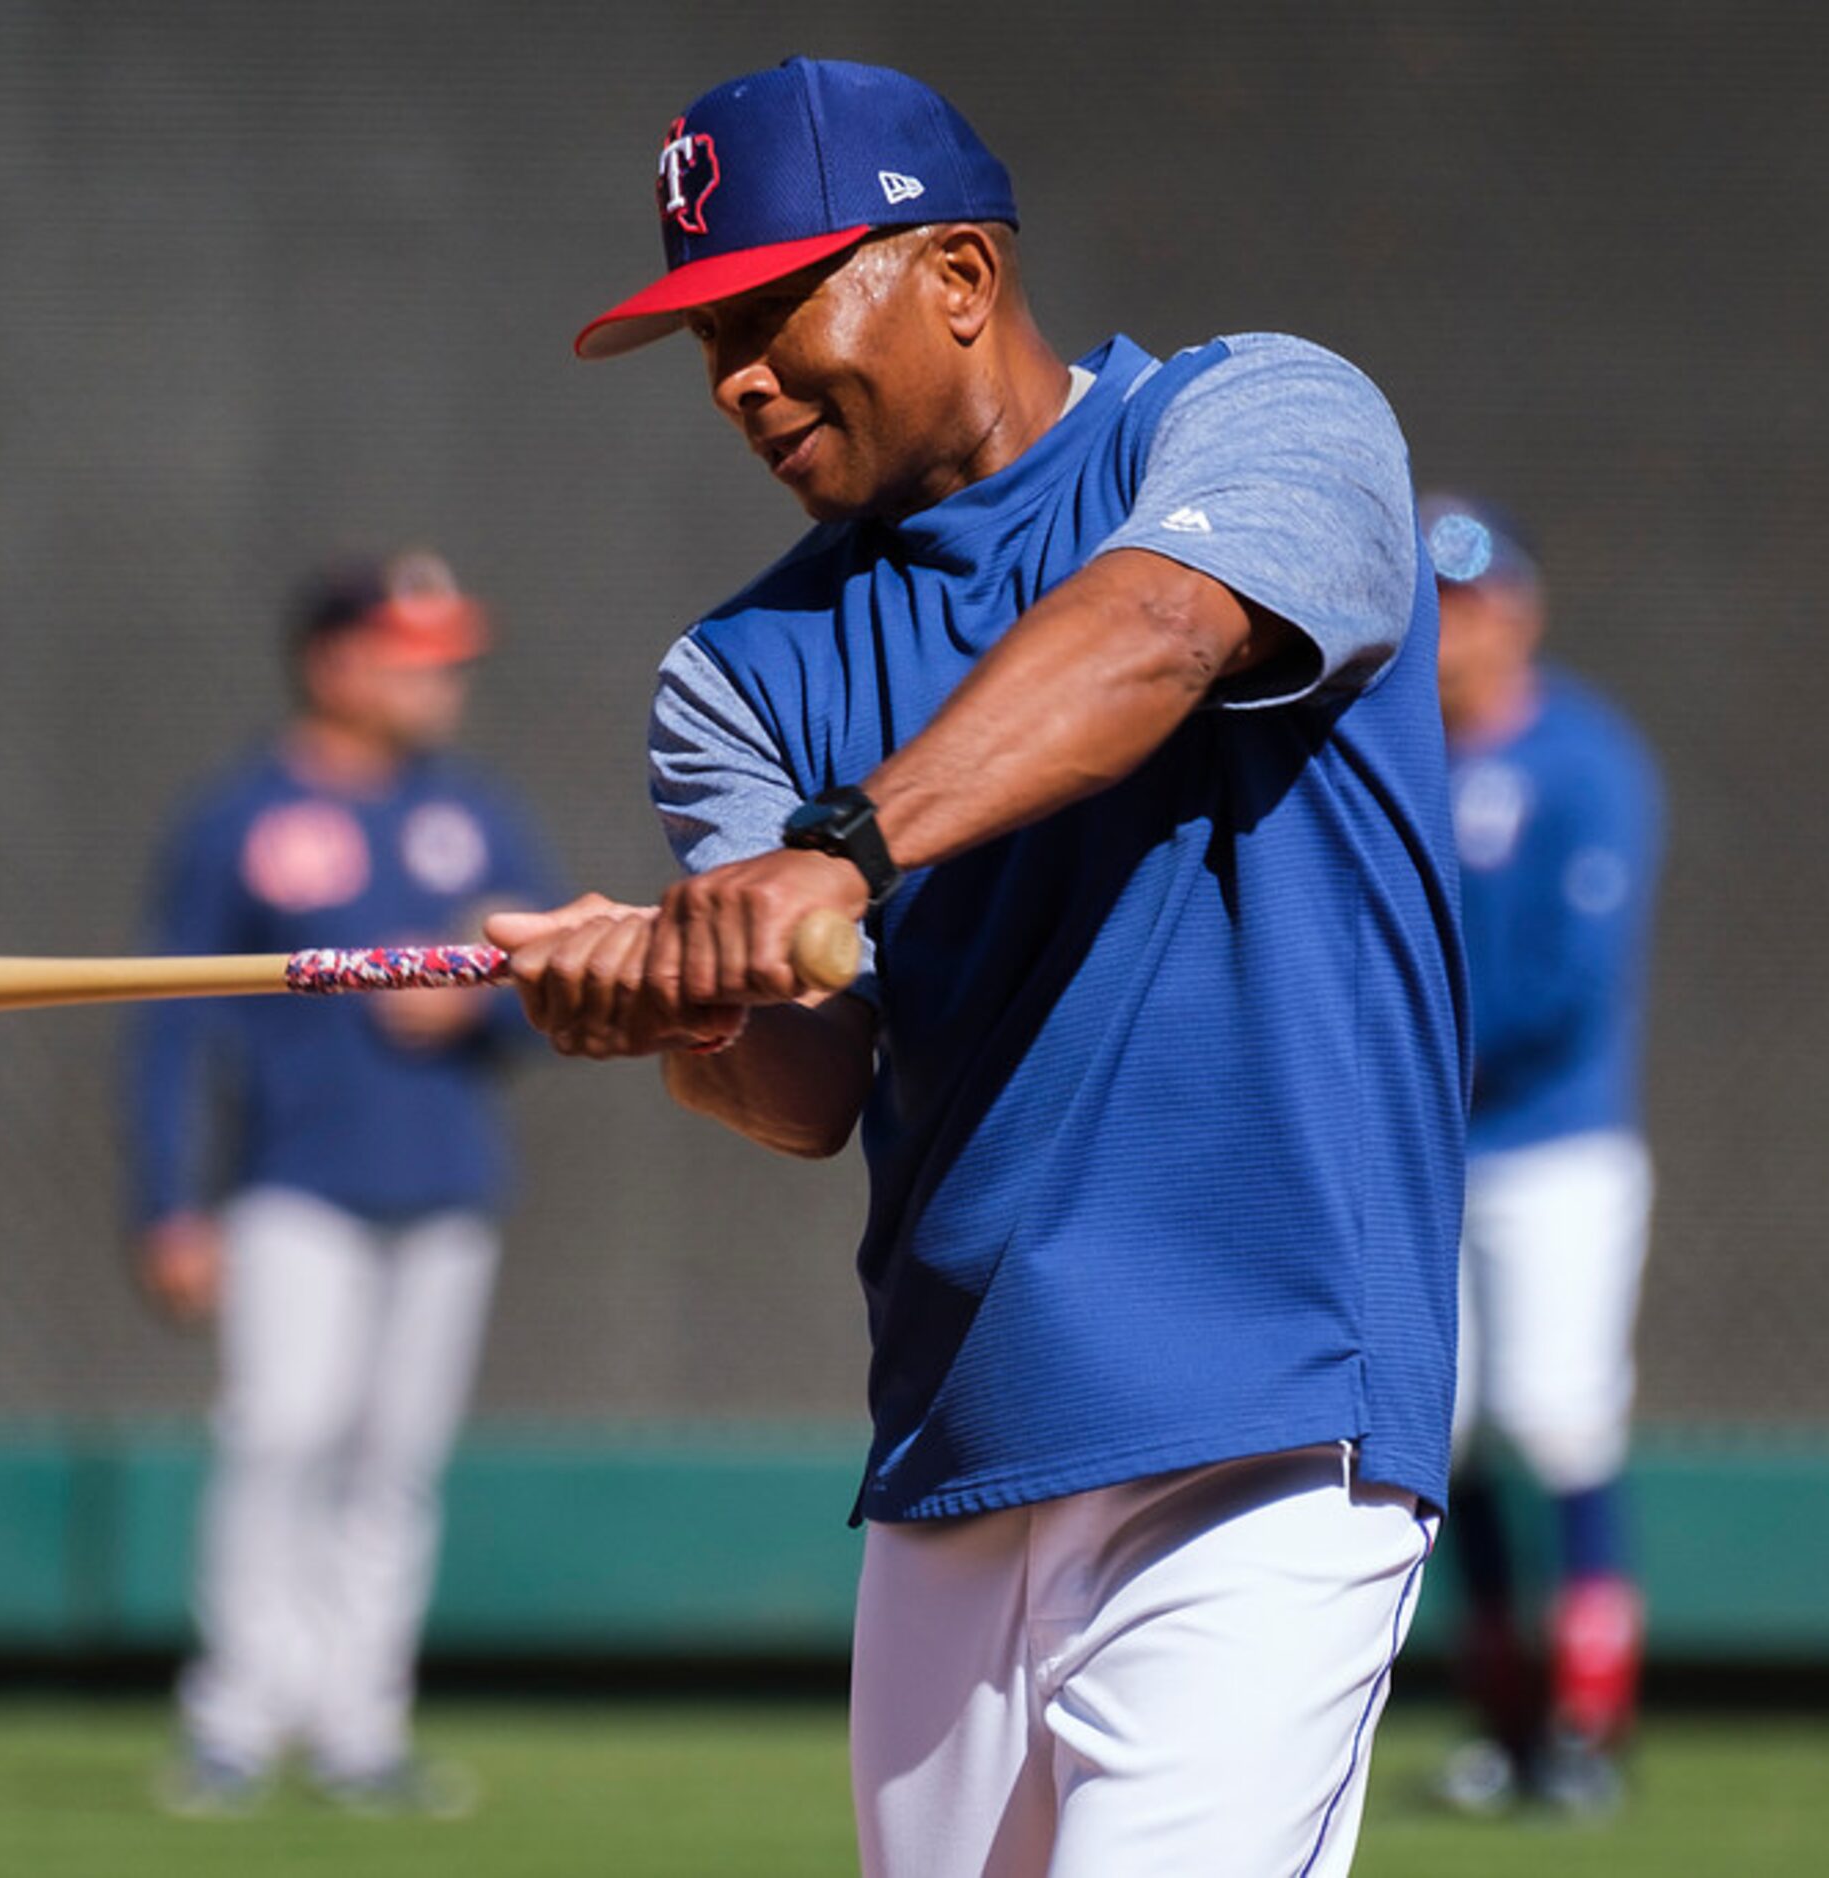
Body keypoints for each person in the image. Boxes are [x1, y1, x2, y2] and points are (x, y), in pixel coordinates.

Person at [486, 57, 1466, 1877]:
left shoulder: (1256, 415)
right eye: (705, 342)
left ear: (956, 277)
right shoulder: (739, 669)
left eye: (770, 309)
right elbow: (802, 1086)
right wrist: (680, 1005)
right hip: (958, 1440)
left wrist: (837, 848)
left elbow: (1161, 629)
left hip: (1263, 1424)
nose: (738, 378)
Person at [125, 548, 557, 1819]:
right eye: (407, 653)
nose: (438, 680)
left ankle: (362, 1727)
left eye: (444, 655)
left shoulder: (471, 815)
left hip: (443, 1181)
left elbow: (561, 1000)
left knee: (395, 1461)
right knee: (279, 1436)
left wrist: (480, 1005)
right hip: (291, 1184)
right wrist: (166, 1201)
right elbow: (163, 1026)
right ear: (331, 661)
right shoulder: (240, 816)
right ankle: (238, 1721)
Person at [1420, 495, 1664, 1819]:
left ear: (1519, 605)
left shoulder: (1583, 760)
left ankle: (1587, 1721)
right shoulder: (1399, 756)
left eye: (1466, 598)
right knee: (1446, 1437)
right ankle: (1506, 1722)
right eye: (1430, 602)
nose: (1448, 628)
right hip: (1431, 1154)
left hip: (1554, 1145)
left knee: (1560, 1417)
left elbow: (1569, 985)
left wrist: (1408, 1055)